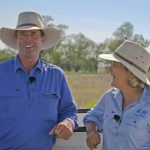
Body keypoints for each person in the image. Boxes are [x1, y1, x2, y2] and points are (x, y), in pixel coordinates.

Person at [0, 11, 78, 150]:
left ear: (42, 38)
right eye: (22, 34)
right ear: (16, 38)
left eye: (33, 34)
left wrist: (68, 123)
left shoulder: (56, 75)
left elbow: (69, 110)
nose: (28, 39)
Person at [83, 40, 150, 150]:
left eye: (114, 65)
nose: (110, 68)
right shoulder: (109, 97)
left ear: (130, 73)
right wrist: (91, 132)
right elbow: (92, 116)